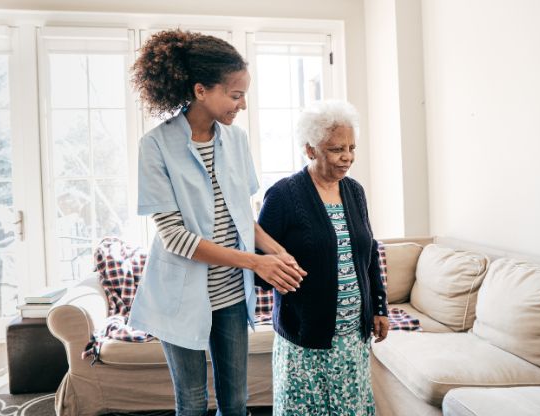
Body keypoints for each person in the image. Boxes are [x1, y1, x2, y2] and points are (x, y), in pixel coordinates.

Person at [128, 29, 306, 416]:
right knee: (191, 403)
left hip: (230, 295)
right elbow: (175, 238)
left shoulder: (236, 140)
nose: (241, 104)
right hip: (181, 297)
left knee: (236, 403)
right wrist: (256, 262)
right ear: (201, 90)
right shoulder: (155, 146)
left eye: (244, 95)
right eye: (235, 94)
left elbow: (245, 218)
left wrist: (279, 253)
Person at [257, 100, 389, 415]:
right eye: (336, 149)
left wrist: (380, 306)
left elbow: (367, 253)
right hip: (305, 337)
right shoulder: (283, 195)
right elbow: (258, 259)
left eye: (352, 147)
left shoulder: (354, 191)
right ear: (310, 150)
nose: (348, 157)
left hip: (352, 338)